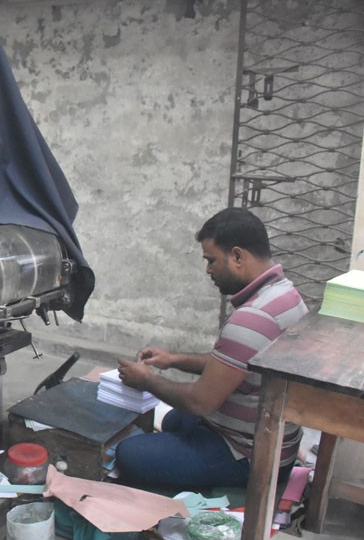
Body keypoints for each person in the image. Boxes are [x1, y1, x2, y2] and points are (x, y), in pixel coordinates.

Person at [114, 207, 308, 489]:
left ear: (238, 256)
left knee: (129, 454)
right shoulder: (285, 293)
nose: (207, 270)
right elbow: (234, 362)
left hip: (248, 455)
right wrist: (173, 359)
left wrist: (147, 380)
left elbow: (200, 401)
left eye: (211, 260)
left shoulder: (252, 318)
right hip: (270, 439)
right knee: (171, 421)